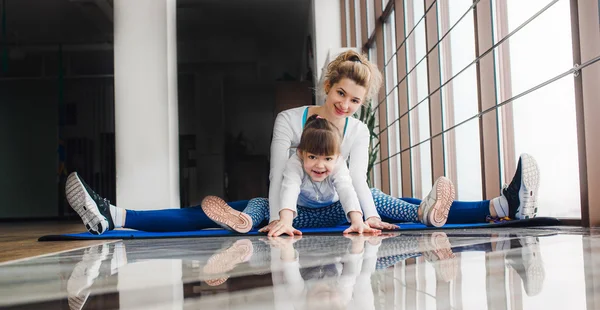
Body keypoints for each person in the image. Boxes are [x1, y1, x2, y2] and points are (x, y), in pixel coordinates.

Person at [65, 50, 539, 236]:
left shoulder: (358, 130)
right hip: (289, 204)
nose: (346, 107)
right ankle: (116, 215)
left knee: (389, 201)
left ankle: (502, 204)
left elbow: (354, 180)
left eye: (355, 101)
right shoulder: (289, 121)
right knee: (237, 205)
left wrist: (365, 218)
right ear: (326, 85)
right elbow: (278, 174)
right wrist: (278, 219)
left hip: (339, 206)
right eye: (340, 94)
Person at [200, 115, 385, 236]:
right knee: (260, 203)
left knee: (373, 195)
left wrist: (357, 222)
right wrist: (285, 223)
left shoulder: (338, 163)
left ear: (336, 157)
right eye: (312, 157)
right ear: (301, 152)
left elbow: (346, 189)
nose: (320, 165)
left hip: (334, 213)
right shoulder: (294, 163)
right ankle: (244, 221)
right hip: (300, 216)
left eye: (327, 158)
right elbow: (290, 188)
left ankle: (414, 211)